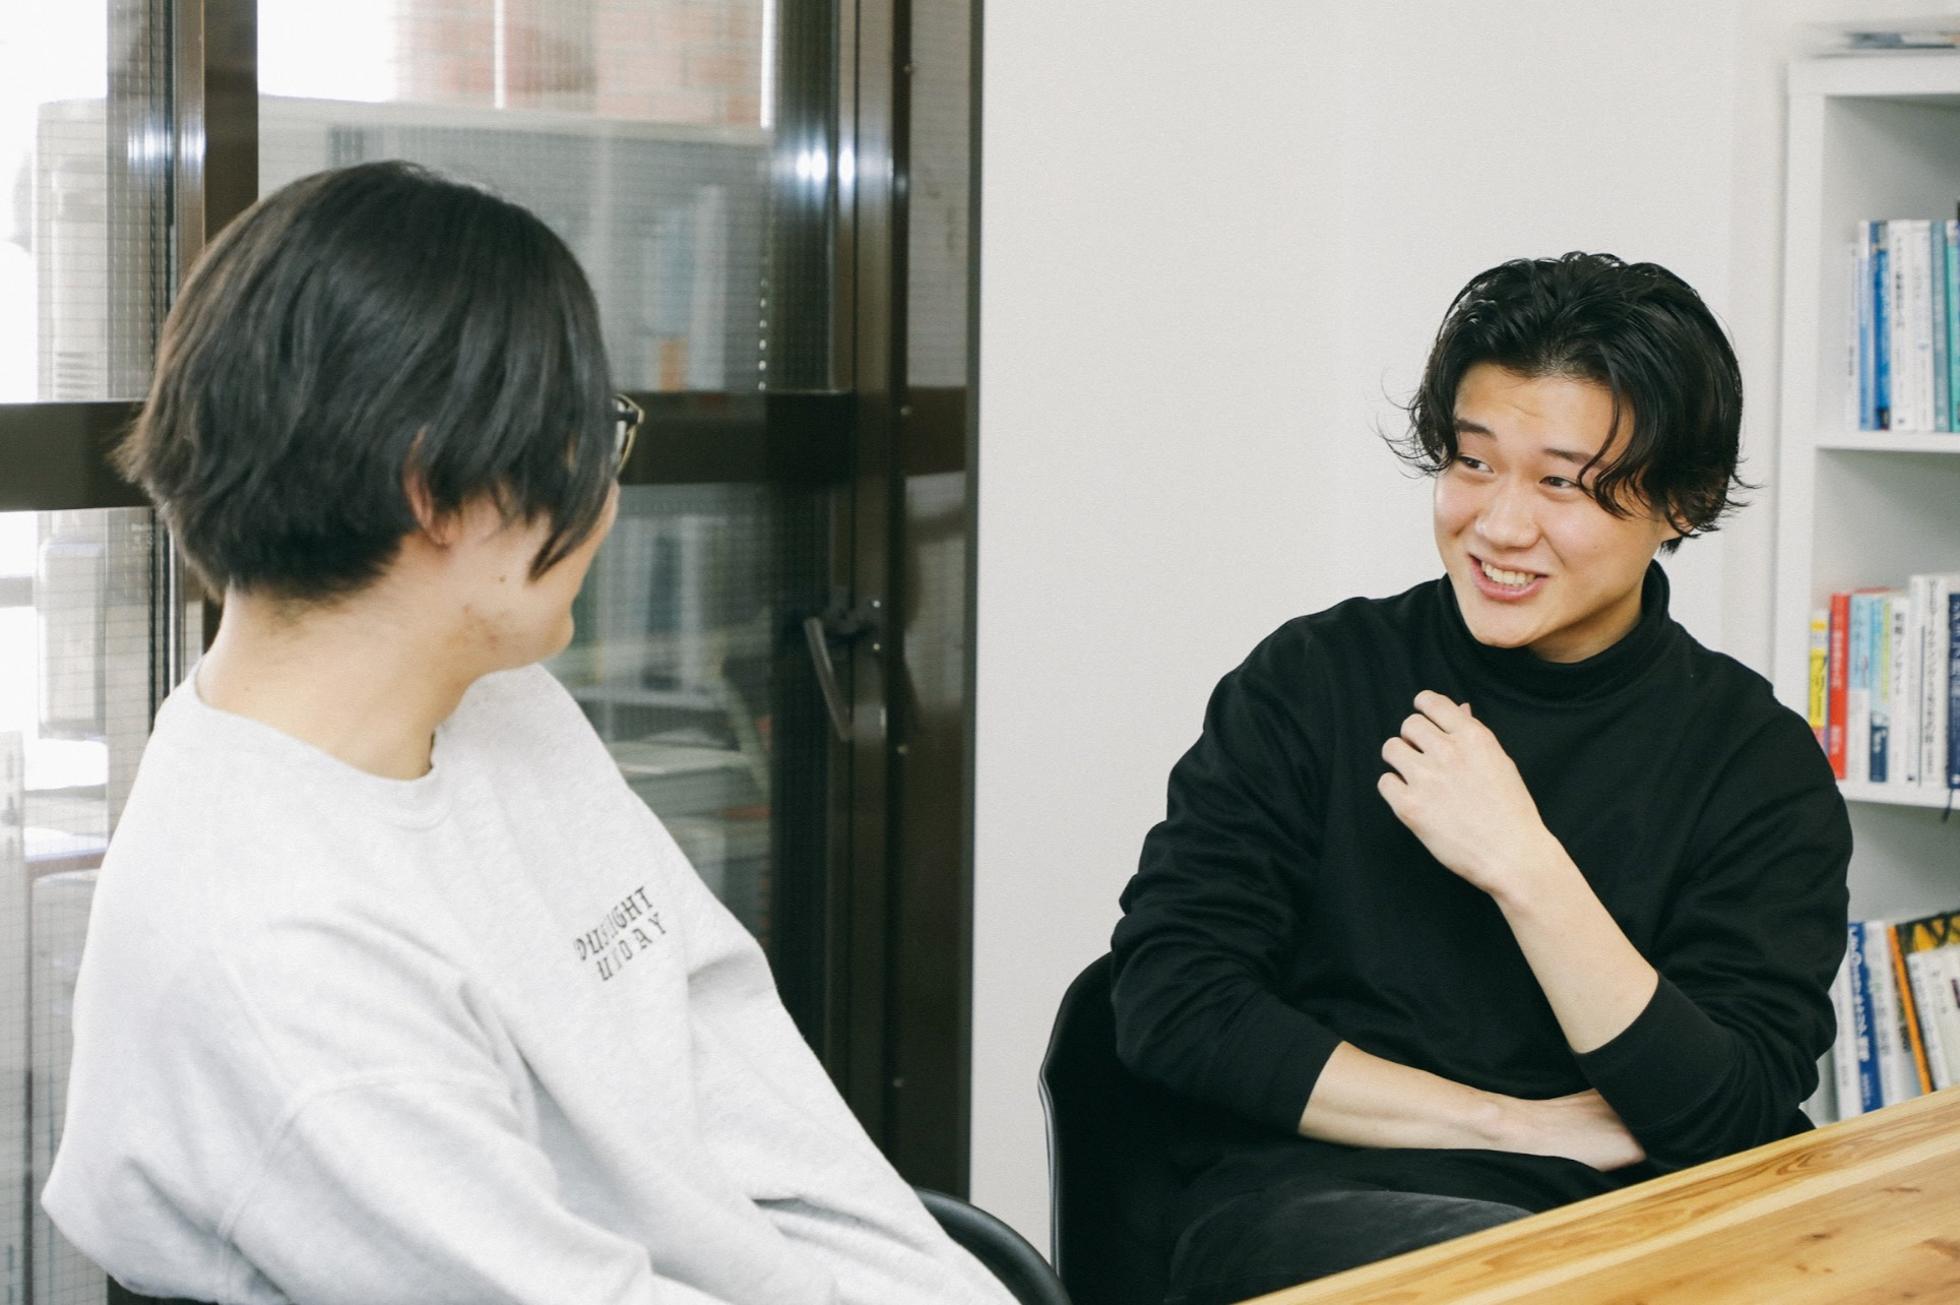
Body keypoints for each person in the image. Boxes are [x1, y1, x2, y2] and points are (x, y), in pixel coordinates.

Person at [42, 161, 1013, 1305]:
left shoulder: (488, 699)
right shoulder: (274, 953)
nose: (609, 497)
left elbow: (738, 1078)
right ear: (437, 491)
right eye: (585, 439)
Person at [1109, 252, 1852, 1305]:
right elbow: (1171, 1004)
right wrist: (1511, 1124)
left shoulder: (1753, 761)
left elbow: (1726, 1117)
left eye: (1561, 482)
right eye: (1472, 462)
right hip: (1320, 1208)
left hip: (1639, 1228)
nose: (1499, 526)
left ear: (1681, 503)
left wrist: (1524, 868)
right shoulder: (1315, 681)